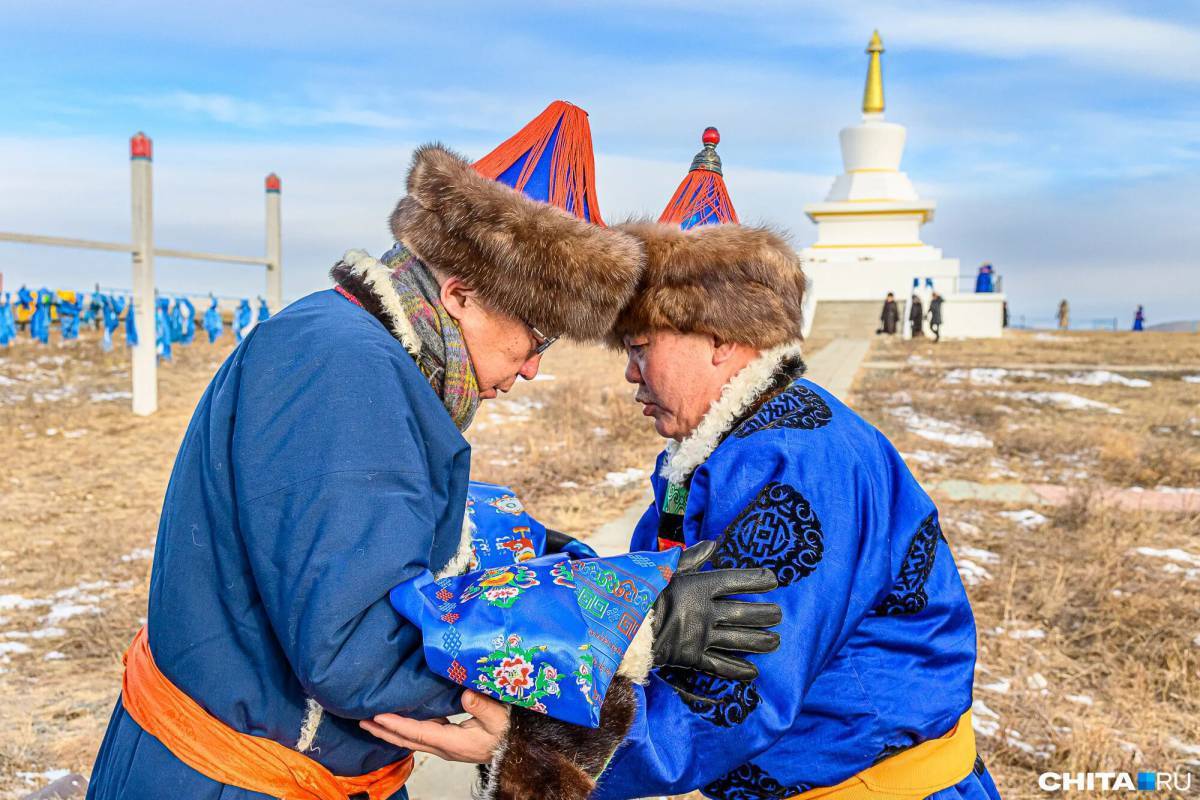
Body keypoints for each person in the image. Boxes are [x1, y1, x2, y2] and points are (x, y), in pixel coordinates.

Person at [85, 102, 777, 800]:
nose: (534, 367)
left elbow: (422, 536)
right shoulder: (342, 370)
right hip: (235, 782)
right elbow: (357, 648)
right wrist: (617, 630)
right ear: (461, 293)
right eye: (537, 337)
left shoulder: (364, 357)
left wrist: (611, 580)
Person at [388, 220, 1001, 800]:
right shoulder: (720, 448)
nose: (630, 374)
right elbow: (660, 601)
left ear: (720, 339)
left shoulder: (798, 464)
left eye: (640, 347)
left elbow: (736, 693)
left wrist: (538, 749)